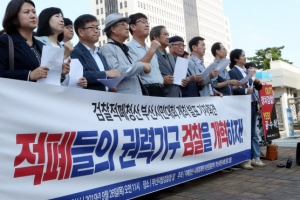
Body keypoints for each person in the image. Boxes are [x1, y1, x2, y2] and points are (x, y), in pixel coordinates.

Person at [228, 49, 265, 169]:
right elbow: (232, 88)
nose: (245, 57)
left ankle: (256, 157)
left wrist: (252, 84)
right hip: (242, 105)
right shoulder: (233, 72)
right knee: (245, 132)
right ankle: (246, 158)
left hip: (252, 104)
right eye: (242, 56)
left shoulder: (245, 71)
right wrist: (245, 90)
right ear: (236, 59)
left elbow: (252, 86)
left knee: (253, 132)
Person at [100, 13, 150, 95]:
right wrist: (141, 65)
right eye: (123, 25)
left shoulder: (125, 48)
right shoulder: (107, 48)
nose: (127, 28)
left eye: (126, 24)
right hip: (124, 97)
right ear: (113, 29)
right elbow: (116, 71)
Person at [36, 7, 87, 87]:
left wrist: (78, 80)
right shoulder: (37, 41)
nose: (62, 20)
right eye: (57, 16)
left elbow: (63, 75)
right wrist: (64, 56)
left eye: (62, 17)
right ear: (46, 19)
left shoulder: (62, 46)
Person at [0, 0, 49, 81]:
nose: (33, 16)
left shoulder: (41, 45)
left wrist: (61, 73)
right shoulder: (5, 41)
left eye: (34, 12)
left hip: (41, 92)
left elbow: (46, 76)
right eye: (26, 12)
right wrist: (29, 75)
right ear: (14, 18)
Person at [71, 14, 120, 91]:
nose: (96, 31)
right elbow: (82, 75)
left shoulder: (100, 55)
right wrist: (107, 73)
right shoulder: (75, 52)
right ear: (81, 32)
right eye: (92, 27)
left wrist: (110, 86)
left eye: (97, 28)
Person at [127, 13, 164, 97]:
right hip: (146, 90)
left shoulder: (149, 48)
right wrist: (152, 50)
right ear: (133, 27)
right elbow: (137, 68)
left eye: (147, 22)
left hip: (160, 89)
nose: (147, 24)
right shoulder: (128, 48)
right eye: (142, 22)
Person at [150, 27, 187, 97]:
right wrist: (162, 81)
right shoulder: (151, 54)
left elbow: (176, 78)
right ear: (155, 37)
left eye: (168, 35)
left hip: (177, 96)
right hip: (162, 97)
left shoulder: (171, 57)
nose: (168, 37)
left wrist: (182, 82)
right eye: (165, 35)